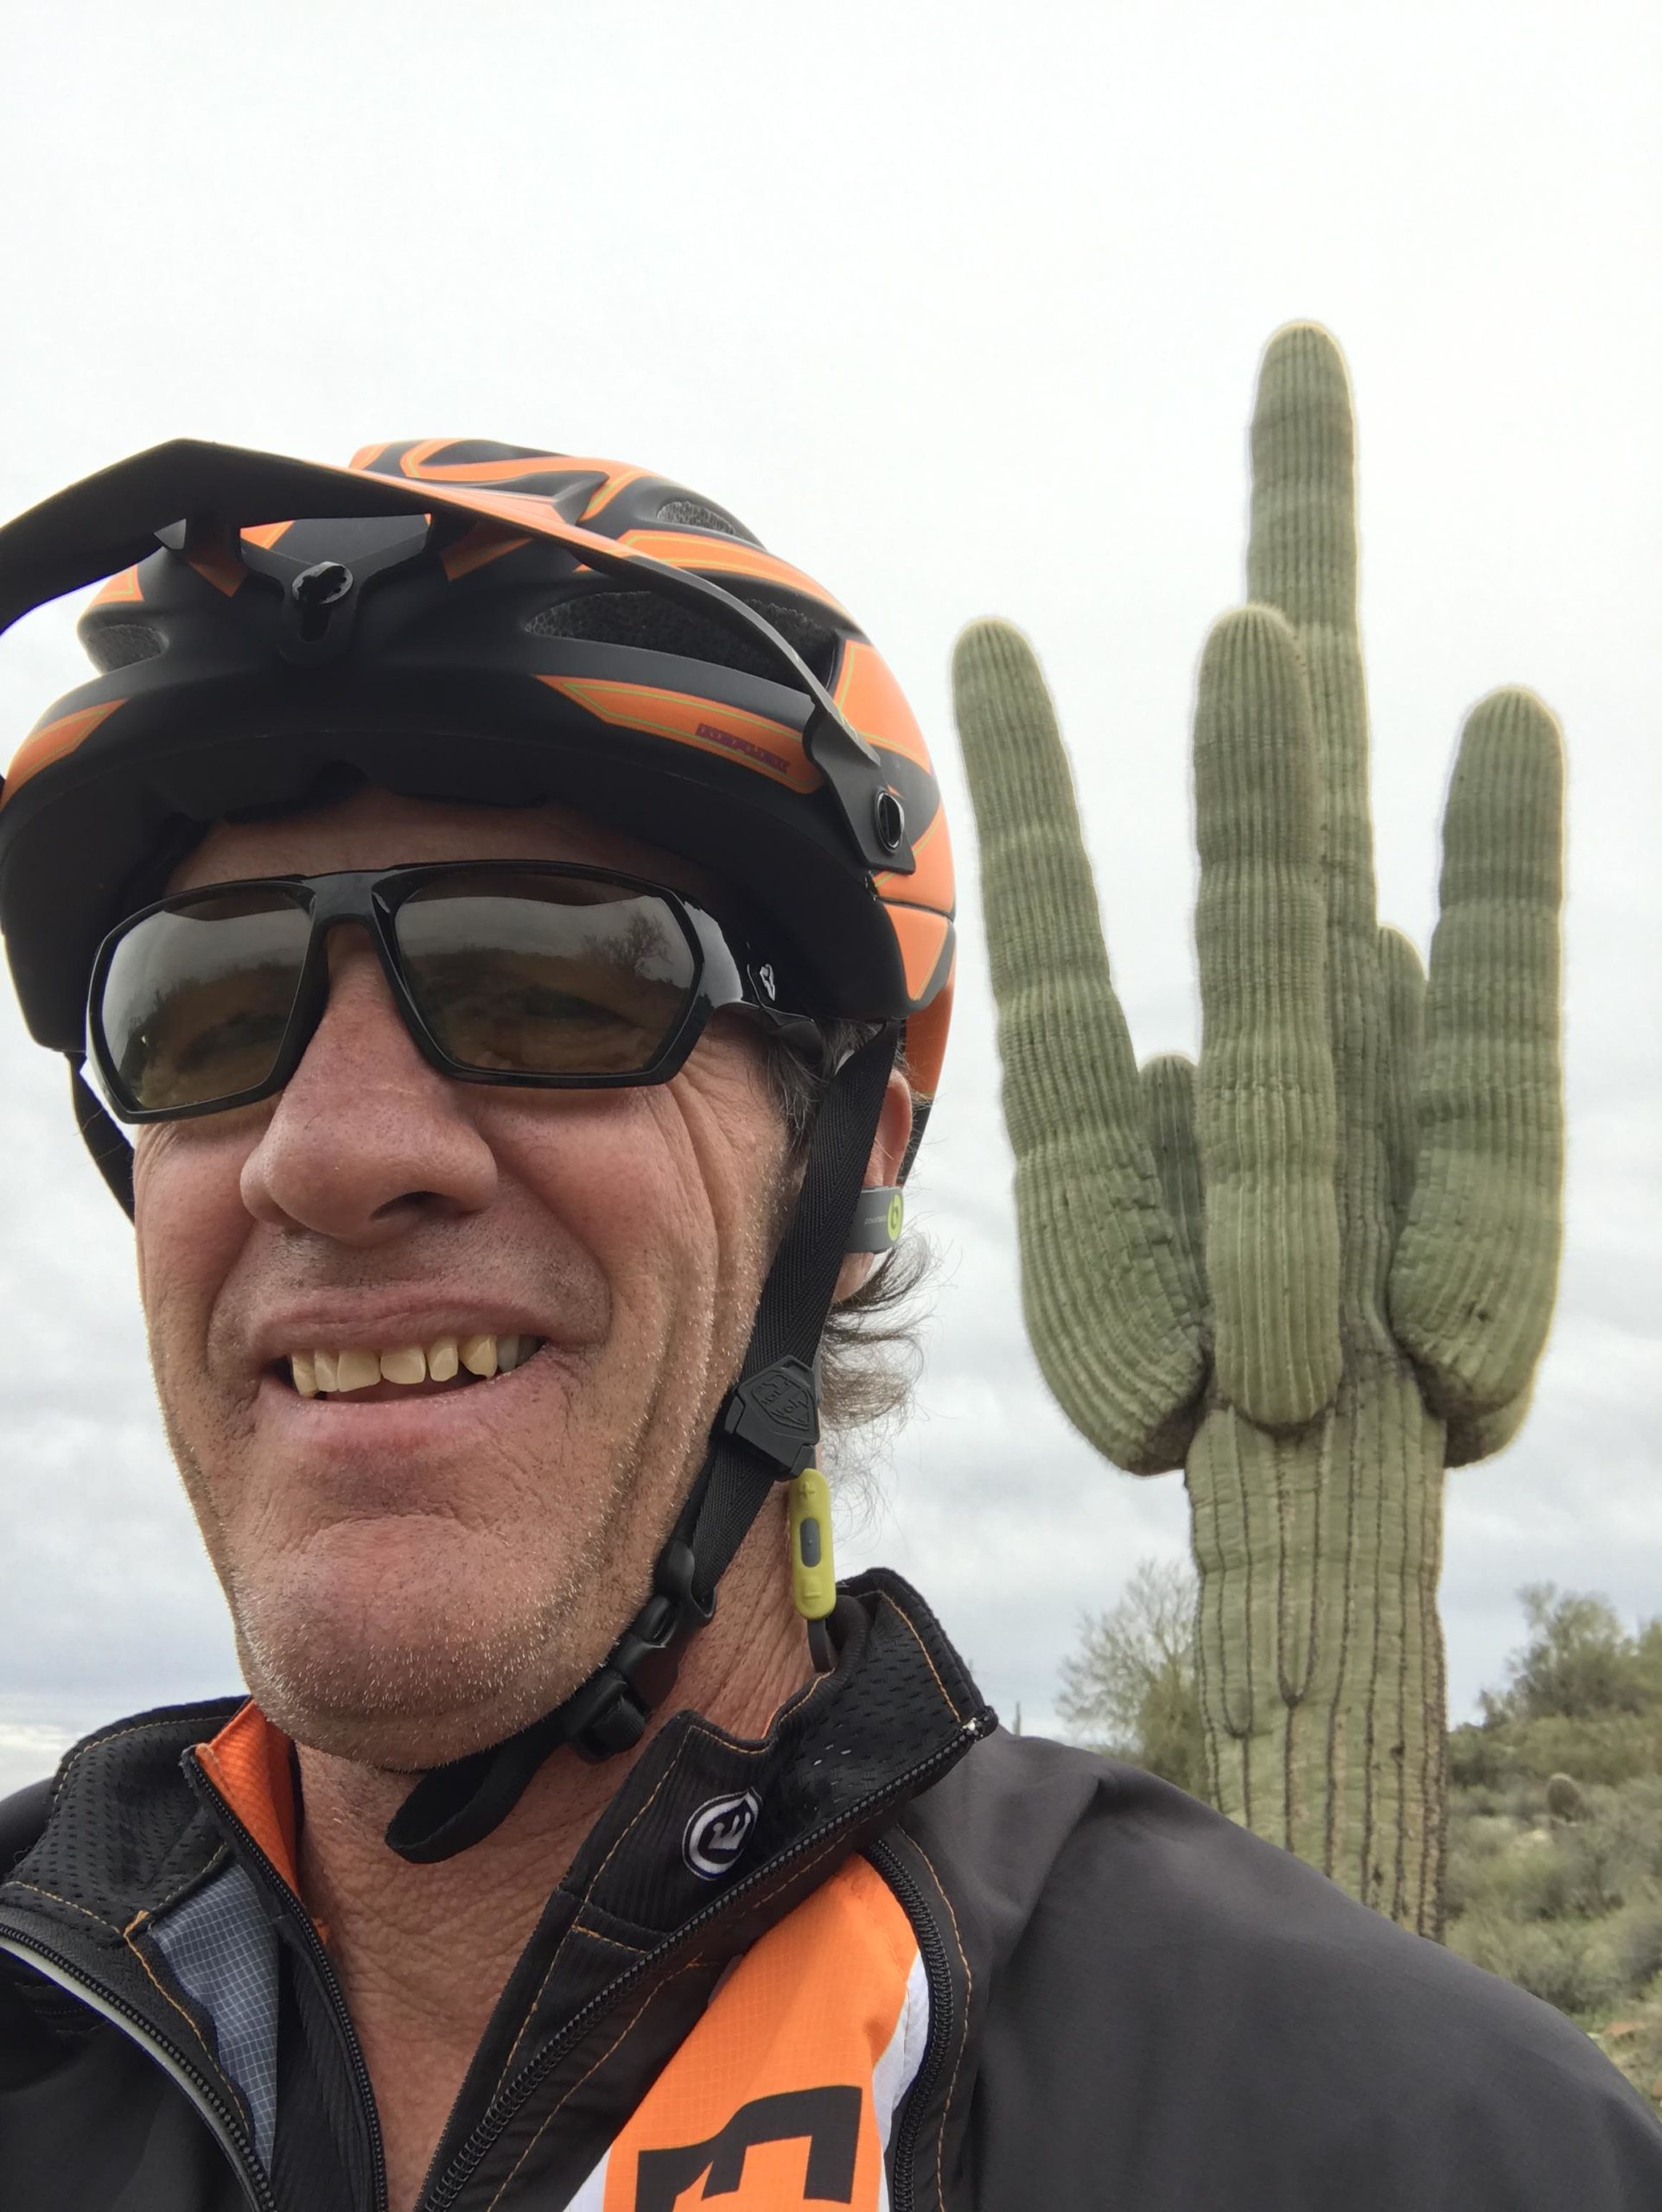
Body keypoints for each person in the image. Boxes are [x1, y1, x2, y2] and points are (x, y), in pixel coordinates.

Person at [0, 438, 1655, 2212]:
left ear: (841, 1164)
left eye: (550, 983)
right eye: (202, 1004)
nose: (326, 1151)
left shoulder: (1394, 2141)